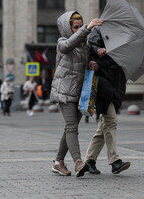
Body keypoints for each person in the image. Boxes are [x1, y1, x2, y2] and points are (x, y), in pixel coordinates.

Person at [50, 11, 102, 177]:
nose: (78, 29)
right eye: (76, 27)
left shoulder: (83, 46)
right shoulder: (62, 42)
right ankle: (78, 162)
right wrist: (87, 28)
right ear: (68, 28)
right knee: (72, 127)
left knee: (70, 128)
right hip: (65, 91)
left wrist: (93, 65)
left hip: (80, 92)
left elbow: (83, 66)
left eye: (80, 26)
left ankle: (58, 162)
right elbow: (67, 46)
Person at [84, 26, 131, 176]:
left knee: (103, 127)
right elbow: (90, 47)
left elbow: (118, 63)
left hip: (115, 84)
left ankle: (89, 161)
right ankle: (115, 161)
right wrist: (98, 51)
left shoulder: (123, 36)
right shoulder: (100, 30)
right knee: (111, 122)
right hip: (103, 85)